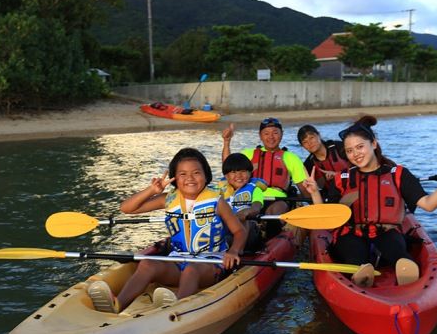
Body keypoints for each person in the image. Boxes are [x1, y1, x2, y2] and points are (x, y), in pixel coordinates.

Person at [303, 114, 437, 287]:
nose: (355, 154)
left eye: (360, 147)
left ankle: (404, 278)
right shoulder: (343, 178)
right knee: (353, 255)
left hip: (386, 232)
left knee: (398, 253)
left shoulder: (398, 174)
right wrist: (315, 192)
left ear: (373, 144)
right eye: (350, 151)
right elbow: (328, 218)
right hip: (351, 234)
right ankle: (361, 276)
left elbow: (429, 204)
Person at [88, 148, 247, 313]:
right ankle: (118, 304)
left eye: (196, 173)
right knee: (147, 264)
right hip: (178, 260)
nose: (190, 178)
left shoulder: (217, 202)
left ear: (206, 175)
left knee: (191, 269)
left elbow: (239, 231)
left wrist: (234, 251)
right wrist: (152, 191)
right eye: (183, 174)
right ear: (174, 178)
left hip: (211, 264)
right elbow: (127, 208)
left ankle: (176, 308)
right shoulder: (168, 199)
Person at [221, 118, 309, 234]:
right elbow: (228, 166)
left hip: (277, 199)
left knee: (275, 211)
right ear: (260, 136)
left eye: (275, 133)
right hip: (249, 198)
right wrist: (227, 142)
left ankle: (270, 240)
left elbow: (304, 189)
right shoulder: (249, 154)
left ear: (282, 134)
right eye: (266, 133)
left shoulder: (291, 158)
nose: (271, 137)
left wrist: (311, 203)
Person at [217, 153, 267, 252]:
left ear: (250, 173)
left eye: (243, 171)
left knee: (244, 220)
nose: (239, 176)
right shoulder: (220, 191)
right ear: (226, 176)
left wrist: (246, 212)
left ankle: (238, 251)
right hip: (228, 229)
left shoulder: (255, 189)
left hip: (249, 231)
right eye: (233, 172)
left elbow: (256, 207)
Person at [297, 124, 349, 201]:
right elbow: (312, 190)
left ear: (319, 135)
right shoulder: (308, 165)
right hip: (332, 198)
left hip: (353, 190)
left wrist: (338, 175)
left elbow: (361, 170)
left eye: (311, 138)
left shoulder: (339, 147)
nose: (309, 143)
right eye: (305, 142)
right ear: (302, 146)